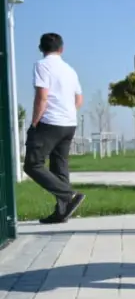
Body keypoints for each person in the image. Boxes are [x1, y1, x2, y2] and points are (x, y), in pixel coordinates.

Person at [24, 33, 85, 224]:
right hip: (69, 123)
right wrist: (66, 113)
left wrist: (34, 122)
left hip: (50, 122)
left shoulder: (42, 65)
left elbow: (42, 96)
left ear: (40, 48)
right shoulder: (70, 70)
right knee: (60, 167)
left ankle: (69, 194)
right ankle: (62, 211)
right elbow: (79, 99)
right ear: (62, 49)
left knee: (33, 164)